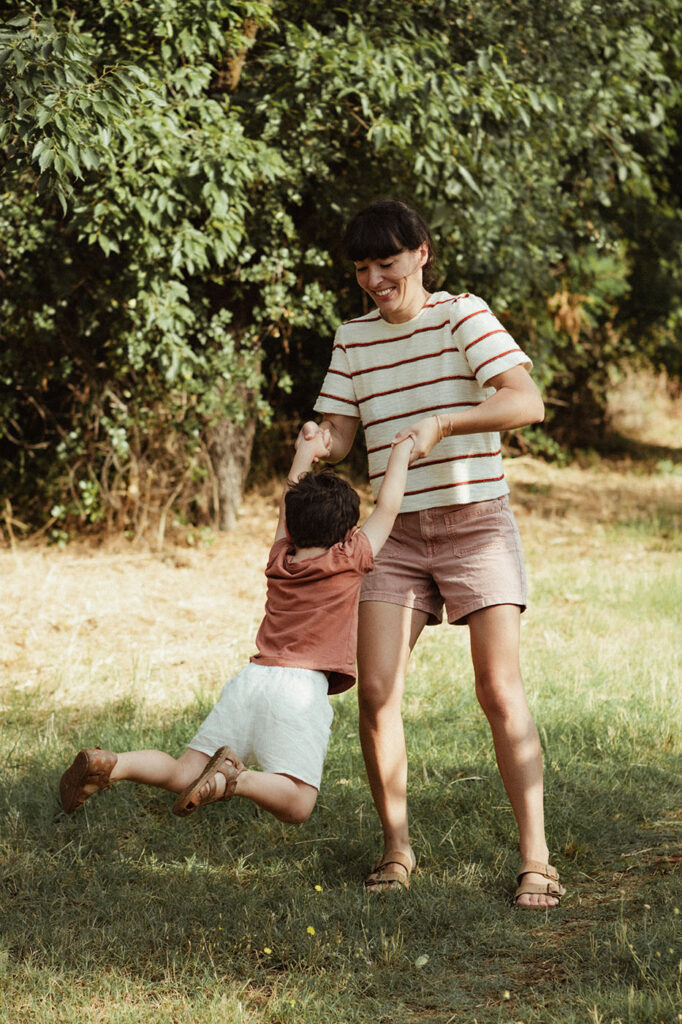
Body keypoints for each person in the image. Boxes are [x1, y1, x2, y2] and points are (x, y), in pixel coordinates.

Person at [302, 198, 565, 907]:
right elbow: (342, 431)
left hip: (477, 521)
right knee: (378, 692)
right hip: (394, 536)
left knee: (498, 691)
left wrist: (444, 422)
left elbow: (524, 400)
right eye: (361, 268)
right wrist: (315, 441)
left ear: (421, 252)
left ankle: (537, 860)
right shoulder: (353, 338)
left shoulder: (462, 316)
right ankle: (396, 851)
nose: (373, 279)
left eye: (385, 262)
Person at [59, 428, 415, 826]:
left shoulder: (282, 556)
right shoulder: (350, 559)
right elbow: (388, 507)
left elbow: (287, 501)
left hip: (251, 681)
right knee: (298, 804)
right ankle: (236, 779)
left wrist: (307, 451)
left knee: (183, 773)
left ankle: (113, 764)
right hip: (298, 691)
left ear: (294, 527)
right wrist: (400, 454)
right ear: (348, 533)